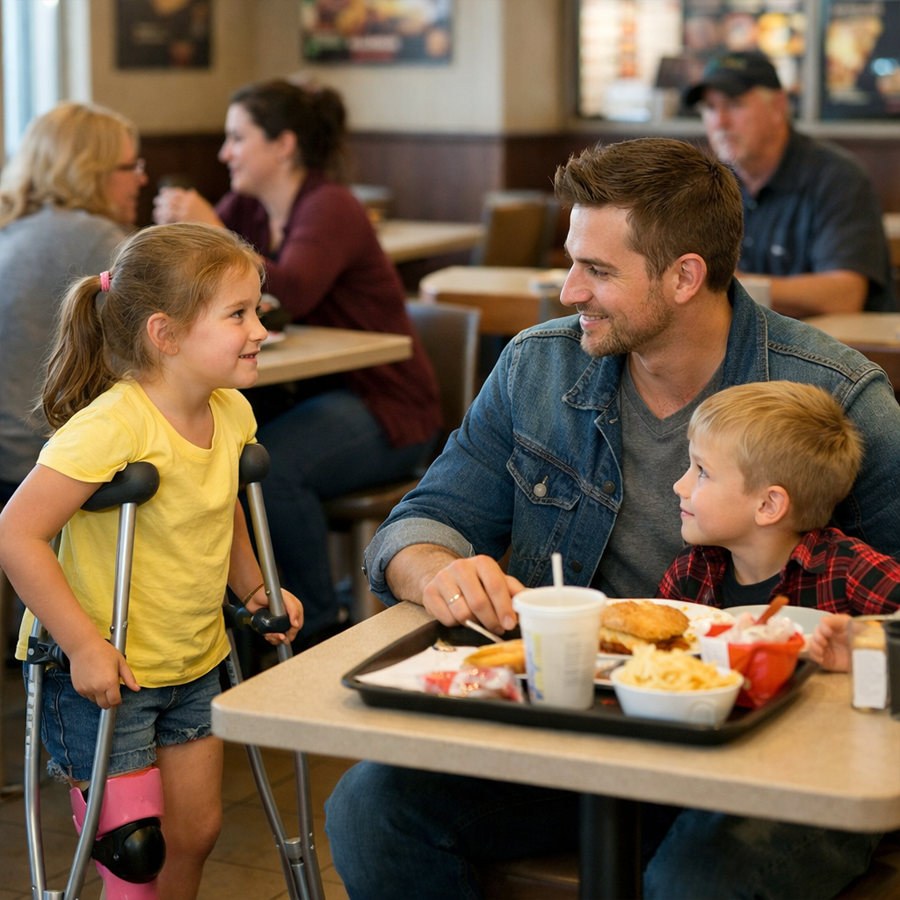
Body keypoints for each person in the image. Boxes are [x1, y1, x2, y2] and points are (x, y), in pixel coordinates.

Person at [324, 138, 900, 900]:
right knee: (370, 810)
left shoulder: (839, 395)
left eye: (597, 270)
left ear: (685, 276)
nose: (568, 291)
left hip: (777, 750)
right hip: (584, 729)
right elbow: (421, 522)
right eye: (572, 262)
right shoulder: (537, 366)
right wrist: (439, 571)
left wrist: (852, 647)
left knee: (693, 882)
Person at [0, 223, 303, 899]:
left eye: (257, 310)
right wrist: (83, 646)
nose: (259, 330)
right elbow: (16, 534)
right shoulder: (111, 425)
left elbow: (220, 504)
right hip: (105, 670)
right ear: (164, 334)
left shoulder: (232, 412)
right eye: (238, 315)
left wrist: (254, 588)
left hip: (193, 658)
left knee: (195, 833)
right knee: (136, 852)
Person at [152, 78, 441, 640]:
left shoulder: (330, 205)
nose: (225, 153)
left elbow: (294, 289)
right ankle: (238, 625)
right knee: (219, 451)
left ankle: (315, 629)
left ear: (283, 145)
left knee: (273, 466)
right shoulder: (247, 207)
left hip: (385, 404)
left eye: (238, 138)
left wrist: (209, 225)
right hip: (312, 394)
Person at [0, 101, 148, 505]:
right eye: (130, 167)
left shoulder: (10, 228)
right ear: (91, 171)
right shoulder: (97, 240)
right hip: (47, 469)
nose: (142, 178)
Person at [659, 381, 900, 619]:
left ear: (768, 505)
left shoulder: (851, 572)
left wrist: (855, 640)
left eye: (702, 471)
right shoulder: (689, 571)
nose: (679, 486)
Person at [684, 51, 895, 318]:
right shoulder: (707, 183)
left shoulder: (837, 177)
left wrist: (730, 285)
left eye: (734, 104)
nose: (719, 122)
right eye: (710, 108)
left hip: (833, 342)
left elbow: (845, 295)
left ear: (778, 107)